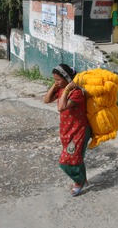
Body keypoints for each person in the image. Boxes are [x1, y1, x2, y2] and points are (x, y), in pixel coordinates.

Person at [43, 64, 92, 196]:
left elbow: (61, 107)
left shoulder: (77, 93)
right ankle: (84, 180)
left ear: (67, 78)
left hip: (79, 131)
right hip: (67, 131)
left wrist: (66, 89)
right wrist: (56, 85)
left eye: (58, 79)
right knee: (77, 158)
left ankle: (79, 182)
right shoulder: (60, 89)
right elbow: (46, 99)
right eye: (54, 79)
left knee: (66, 162)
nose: (56, 82)